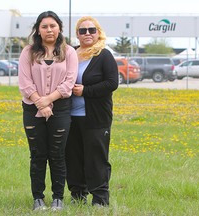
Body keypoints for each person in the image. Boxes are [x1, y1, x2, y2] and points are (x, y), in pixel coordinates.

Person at [18, 11, 78, 211]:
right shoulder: (28, 52)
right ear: (38, 29)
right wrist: (39, 103)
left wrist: (48, 101)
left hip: (60, 108)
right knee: (37, 155)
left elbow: (69, 82)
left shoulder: (69, 52)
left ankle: (58, 198)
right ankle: (38, 199)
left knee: (57, 154)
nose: (49, 30)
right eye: (44, 26)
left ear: (59, 27)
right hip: (32, 108)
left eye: (52, 25)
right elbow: (24, 82)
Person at [65, 16, 119, 207]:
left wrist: (85, 91)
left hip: (96, 118)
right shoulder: (70, 53)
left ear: (98, 33)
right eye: (82, 30)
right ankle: (77, 196)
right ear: (77, 34)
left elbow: (112, 83)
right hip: (70, 117)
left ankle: (100, 199)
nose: (87, 34)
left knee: (96, 158)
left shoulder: (104, 55)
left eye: (91, 30)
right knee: (73, 158)